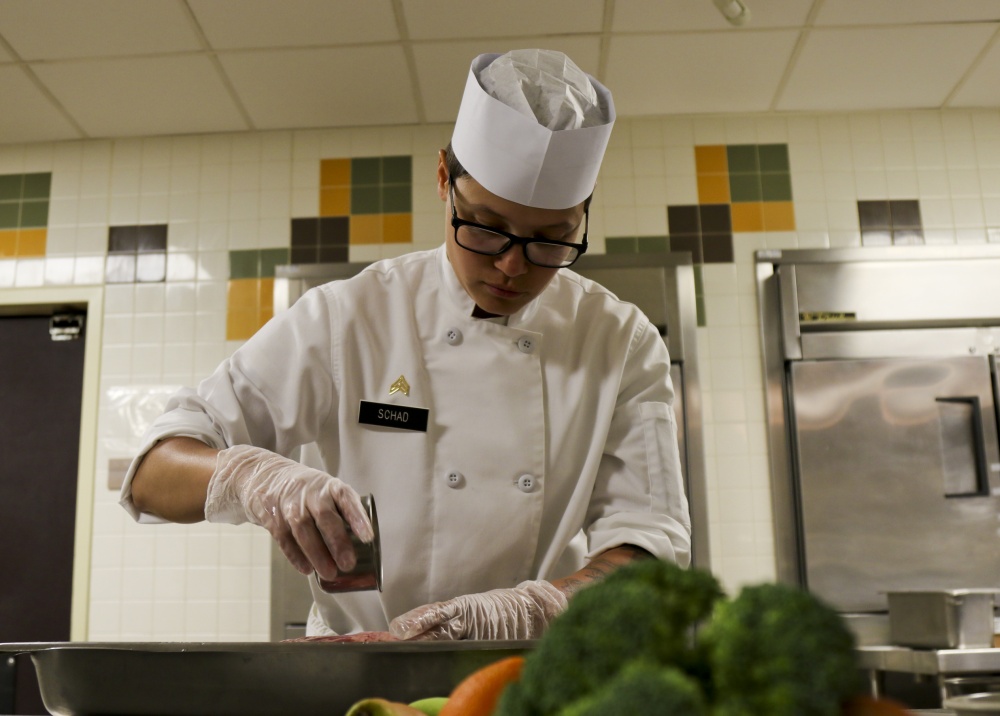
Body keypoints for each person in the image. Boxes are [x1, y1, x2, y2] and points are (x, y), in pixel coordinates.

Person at [121, 48, 691, 640]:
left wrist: (539, 609)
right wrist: (252, 478)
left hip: (533, 671)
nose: (511, 266)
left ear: (582, 217)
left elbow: (651, 546)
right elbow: (151, 473)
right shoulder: (348, 317)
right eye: (485, 227)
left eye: (551, 240)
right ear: (445, 178)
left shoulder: (620, 341)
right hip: (358, 670)